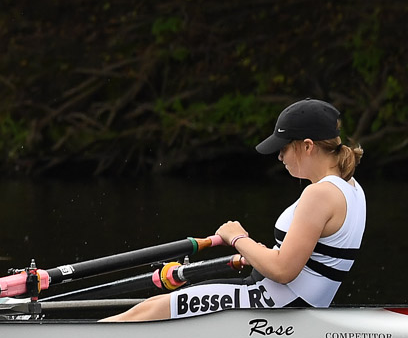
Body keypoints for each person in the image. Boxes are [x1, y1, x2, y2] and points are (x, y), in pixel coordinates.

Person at [103, 99, 364, 322]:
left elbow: (284, 271)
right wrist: (259, 254)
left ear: (308, 146)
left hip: (274, 305)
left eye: (283, 147)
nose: (279, 156)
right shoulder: (353, 188)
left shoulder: (318, 194)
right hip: (289, 302)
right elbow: (310, 261)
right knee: (154, 306)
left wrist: (238, 239)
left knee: (151, 310)